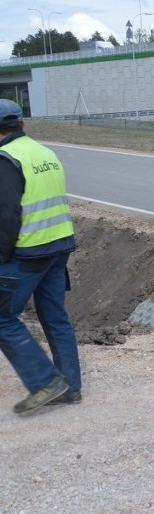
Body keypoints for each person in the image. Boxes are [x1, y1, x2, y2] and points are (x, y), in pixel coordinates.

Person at [0, 99, 82, 415]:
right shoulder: (44, 153)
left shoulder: (7, 159)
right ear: (22, 124)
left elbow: (6, 215)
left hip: (28, 251)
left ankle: (46, 381)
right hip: (59, 246)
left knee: (4, 318)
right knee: (55, 316)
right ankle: (70, 387)